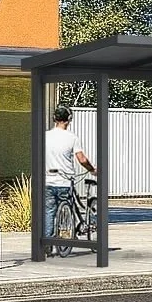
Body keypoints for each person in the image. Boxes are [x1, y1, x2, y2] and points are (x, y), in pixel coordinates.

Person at [44, 105, 96, 256]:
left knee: (49, 212)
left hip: (47, 181)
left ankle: (47, 243)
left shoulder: (44, 136)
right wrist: (92, 169)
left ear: (54, 119)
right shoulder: (72, 138)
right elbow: (82, 159)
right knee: (67, 208)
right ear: (69, 120)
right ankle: (66, 238)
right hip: (65, 181)